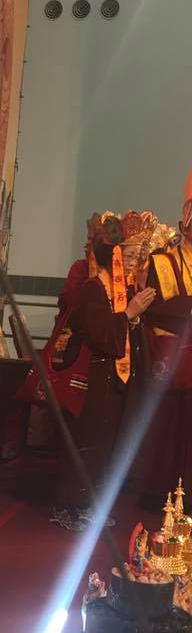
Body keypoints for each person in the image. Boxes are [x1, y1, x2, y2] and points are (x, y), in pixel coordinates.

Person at [52, 213, 156, 531]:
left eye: (137, 256)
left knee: (107, 447)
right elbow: (100, 335)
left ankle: (92, 506)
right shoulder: (93, 289)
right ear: (113, 256)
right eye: (129, 255)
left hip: (116, 380)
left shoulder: (123, 290)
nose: (134, 262)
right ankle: (70, 507)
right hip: (94, 379)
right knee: (89, 444)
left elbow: (128, 334)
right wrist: (130, 313)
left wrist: (134, 317)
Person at [139, 185, 192, 507]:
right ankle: (158, 491)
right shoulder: (162, 262)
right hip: (171, 352)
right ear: (185, 225)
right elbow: (154, 308)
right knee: (167, 424)